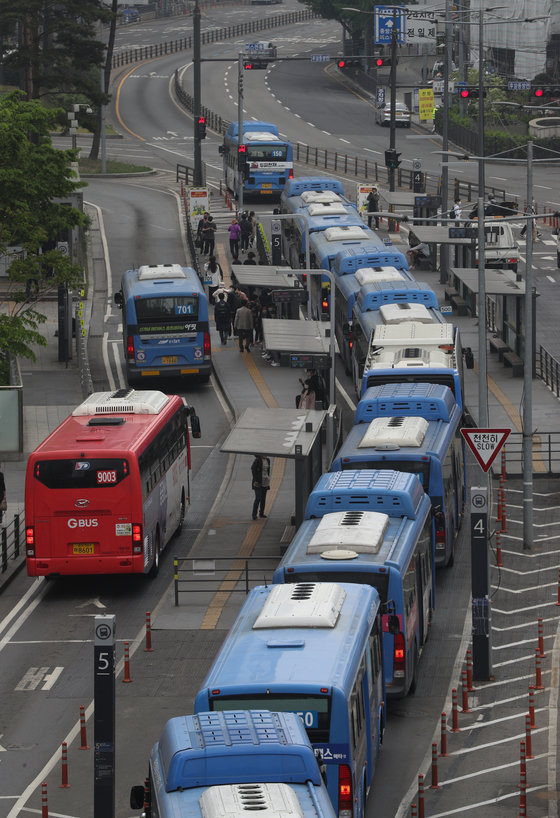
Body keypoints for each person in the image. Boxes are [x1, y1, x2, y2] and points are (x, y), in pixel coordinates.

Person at [251, 454, 271, 520]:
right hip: (257, 482)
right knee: (258, 498)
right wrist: (256, 480)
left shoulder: (268, 460)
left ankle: (261, 513)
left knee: (263, 498)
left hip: (265, 481)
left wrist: (268, 478)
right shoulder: (257, 460)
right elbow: (253, 469)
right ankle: (254, 514)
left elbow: (268, 471)